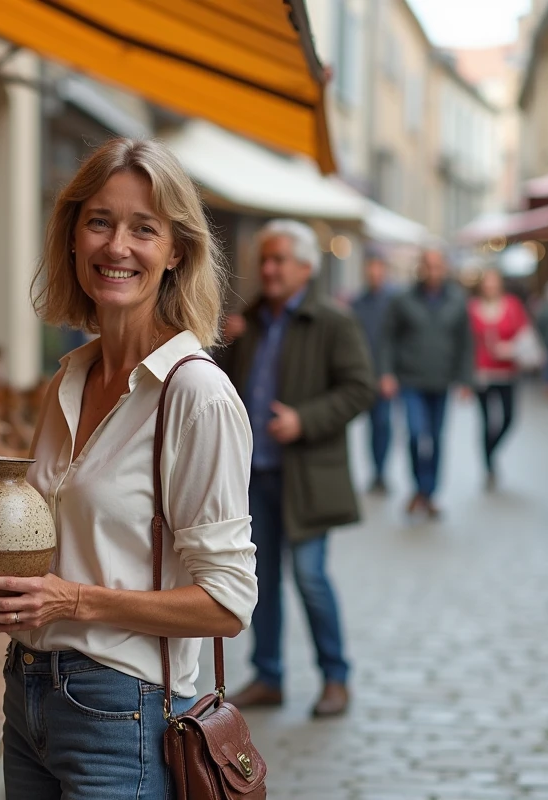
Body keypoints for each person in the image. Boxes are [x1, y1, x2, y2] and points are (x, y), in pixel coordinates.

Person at [0, 138, 258, 798]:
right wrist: (5, 596)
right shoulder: (67, 380)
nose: (117, 247)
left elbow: (228, 604)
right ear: (72, 236)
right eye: (99, 222)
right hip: (26, 690)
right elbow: (65, 556)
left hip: (125, 711)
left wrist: (72, 600)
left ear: (177, 251)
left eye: (144, 229)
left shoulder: (194, 394)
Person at [217, 219, 374, 718]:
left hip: (307, 476)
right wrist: (224, 344)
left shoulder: (332, 321)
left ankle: (336, 677)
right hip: (255, 475)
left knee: (310, 577)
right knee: (260, 581)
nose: (268, 269)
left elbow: (360, 389)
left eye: (279, 260)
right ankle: (269, 677)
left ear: (306, 267)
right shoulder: (248, 321)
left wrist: (304, 420)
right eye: (264, 259)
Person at [378, 249, 475, 517]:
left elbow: (466, 342)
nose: (433, 271)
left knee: (435, 438)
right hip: (410, 379)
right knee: (414, 433)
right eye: (428, 266)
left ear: (445, 268)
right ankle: (418, 487)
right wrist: (386, 373)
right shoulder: (403, 299)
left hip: (441, 380)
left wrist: (466, 380)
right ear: (420, 268)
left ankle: (429, 492)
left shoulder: (457, 299)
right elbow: (388, 338)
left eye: (437, 266)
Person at [468, 267, 530, 489]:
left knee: (509, 418)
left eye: (494, 283)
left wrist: (510, 348)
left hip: (507, 372)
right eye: (487, 283)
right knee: (486, 421)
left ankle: (491, 450)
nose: (490, 287)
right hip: (482, 373)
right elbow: (467, 342)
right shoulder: (473, 309)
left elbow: (525, 334)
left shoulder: (512, 305)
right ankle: (489, 466)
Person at [352, 246, 398, 492]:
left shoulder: (394, 301)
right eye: (370, 268)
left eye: (378, 268)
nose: (374, 273)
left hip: (385, 375)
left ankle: (381, 471)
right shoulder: (358, 303)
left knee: (382, 424)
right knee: (372, 425)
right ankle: (376, 470)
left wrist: (390, 372)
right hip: (363, 374)